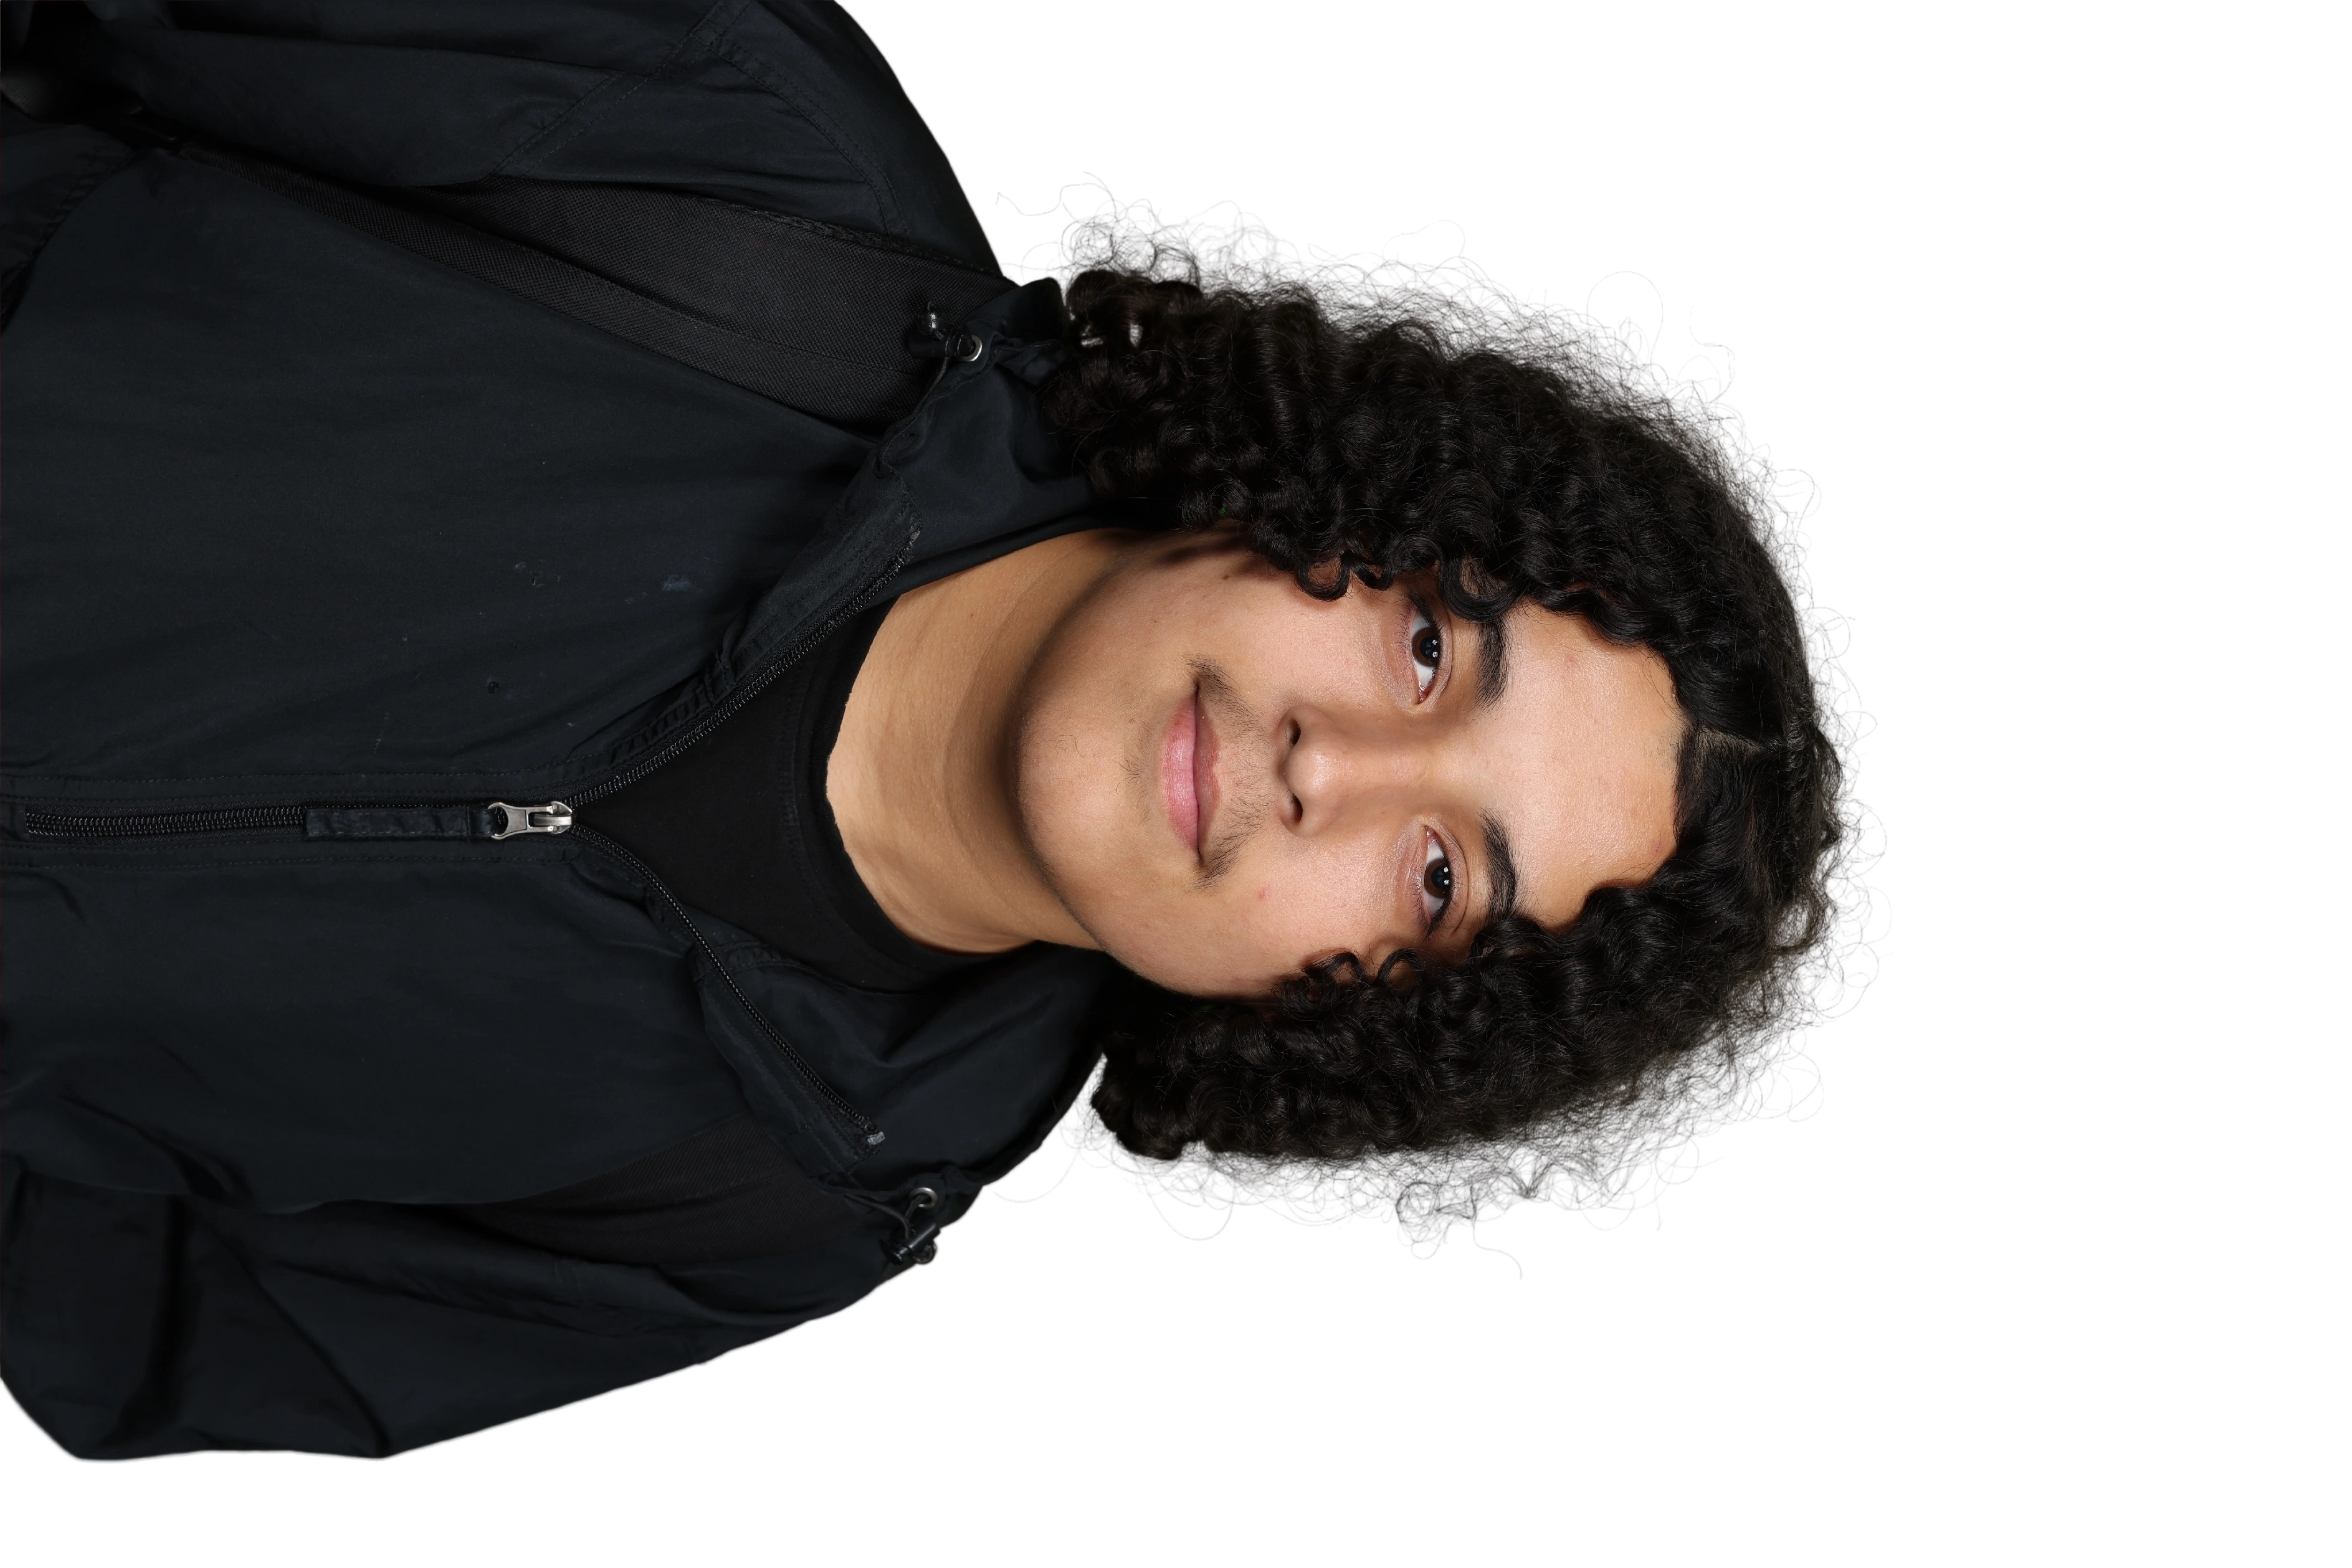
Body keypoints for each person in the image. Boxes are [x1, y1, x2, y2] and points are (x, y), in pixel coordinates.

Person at [0, 0, 1889, 1465]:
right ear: (1359, 467)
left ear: (1366, 1032)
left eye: (1440, 876)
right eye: (1425, 649)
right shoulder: (741, 154)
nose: (1332, 766)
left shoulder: (779, 1206)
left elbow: (114, 1330)